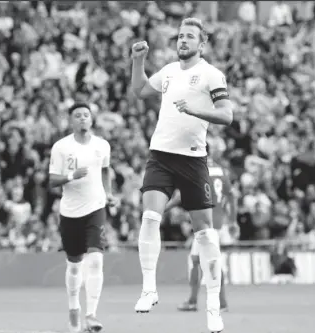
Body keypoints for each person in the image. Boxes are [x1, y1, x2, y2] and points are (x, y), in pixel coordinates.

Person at [130, 17, 233, 333]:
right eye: (180, 36)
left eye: (190, 36)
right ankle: (149, 289)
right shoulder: (169, 71)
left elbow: (227, 115)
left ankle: (213, 308)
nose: (183, 40)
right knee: (150, 217)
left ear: (201, 44)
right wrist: (138, 61)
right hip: (160, 156)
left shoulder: (212, 75)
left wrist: (194, 110)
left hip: (192, 161)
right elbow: (139, 90)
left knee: (205, 234)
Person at [48, 103, 118, 333]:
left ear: (92, 119)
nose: (82, 119)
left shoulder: (102, 146)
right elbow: (52, 180)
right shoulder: (61, 147)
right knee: (75, 266)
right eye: (77, 116)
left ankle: (91, 315)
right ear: (70, 121)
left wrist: (108, 194)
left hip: (95, 208)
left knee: (96, 260)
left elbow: (105, 170)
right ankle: (74, 310)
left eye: (86, 115)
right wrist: (71, 175)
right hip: (70, 211)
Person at [163, 153, 238, 313]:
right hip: (216, 221)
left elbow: (181, 195)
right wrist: (232, 220)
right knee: (199, 259)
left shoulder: (197, 169)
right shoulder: (221, 170)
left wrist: (163, 208)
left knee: (206, 261)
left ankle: (211, 302)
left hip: (204, 221)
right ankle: (199, 301)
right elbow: (230, 195)